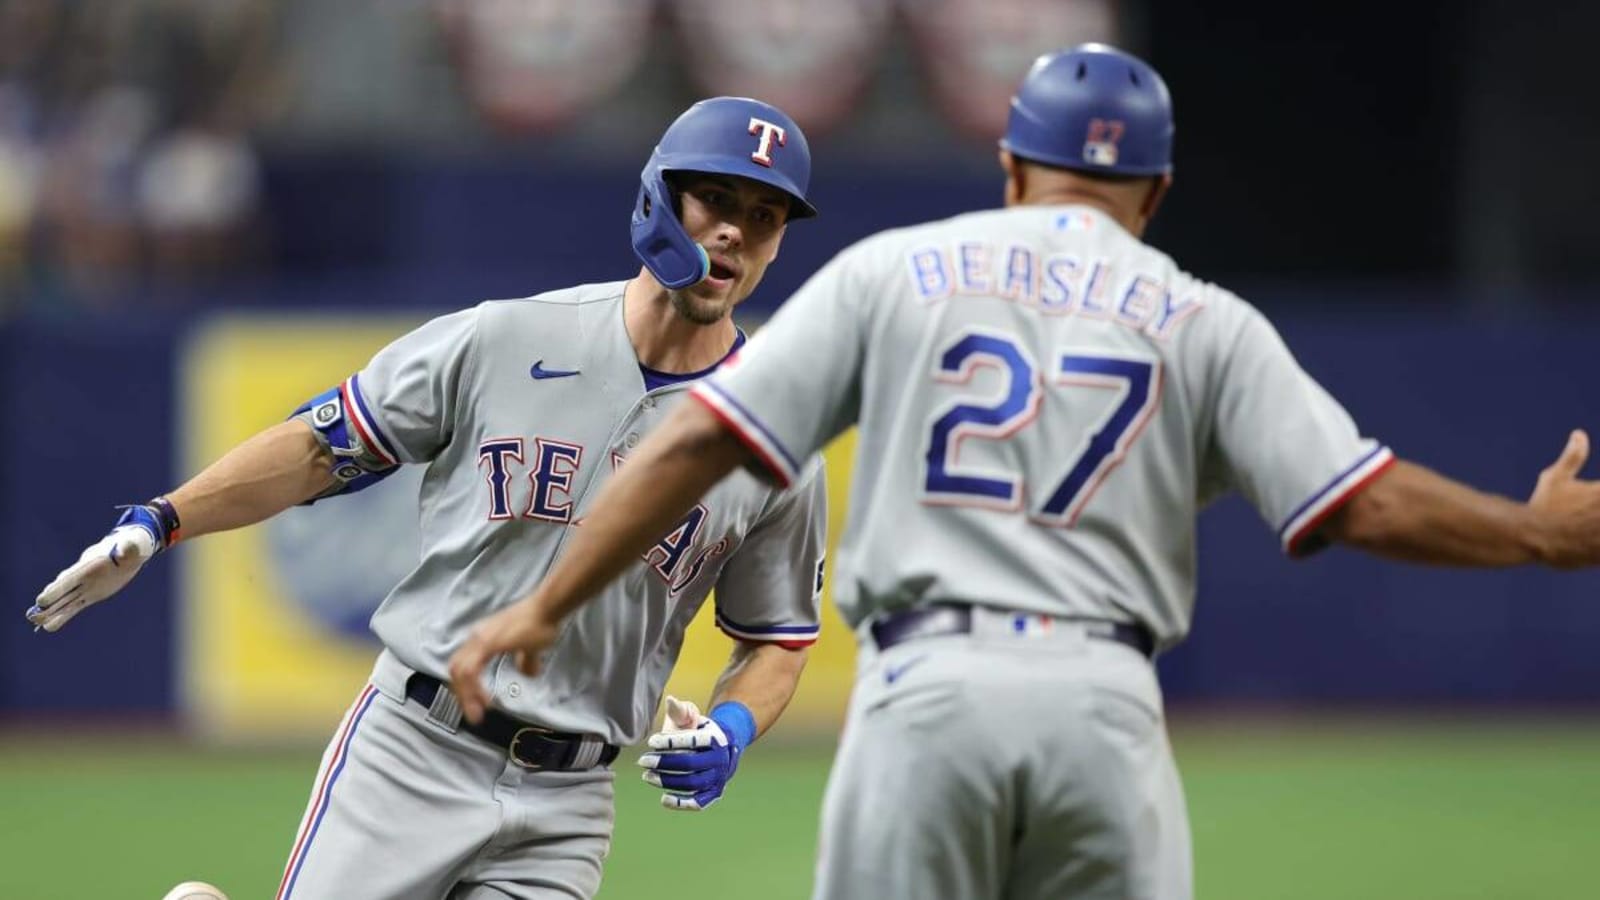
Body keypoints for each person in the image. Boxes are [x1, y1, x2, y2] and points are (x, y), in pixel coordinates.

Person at [445, 44, 1600, 900]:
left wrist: (545, 603)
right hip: (1102, 703)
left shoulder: (895, 273)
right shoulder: (1204, 320)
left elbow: (701, 439)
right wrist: (1534, 532)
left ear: (1009, 167)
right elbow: (1359, 501)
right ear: (1150, 196)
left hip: (928, 694)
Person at [27, 96, 829, 900]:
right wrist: (160, 521)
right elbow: (320, 445)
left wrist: (731, 729)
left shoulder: (774, 436)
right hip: (416, 746)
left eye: (764, 215)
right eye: (715, 200)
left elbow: (776, 637)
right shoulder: (510, 338)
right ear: (662, 198)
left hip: (570, 798)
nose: (734, 230)